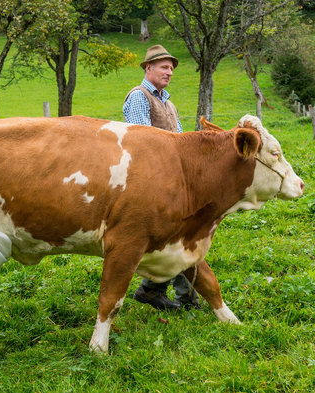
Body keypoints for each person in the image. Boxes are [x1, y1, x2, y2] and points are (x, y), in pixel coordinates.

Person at [122, 45, 200, 311]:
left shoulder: (168, 102)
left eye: (171, 68)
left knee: (171, 235)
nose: (169, 72)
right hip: (148, 180)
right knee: (173, 235)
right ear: (148, 68)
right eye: (164, 67)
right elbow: (143, 143)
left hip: (170, 178)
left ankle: (152, 290)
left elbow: (178, 141)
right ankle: (183, 296)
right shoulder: (138, 97)